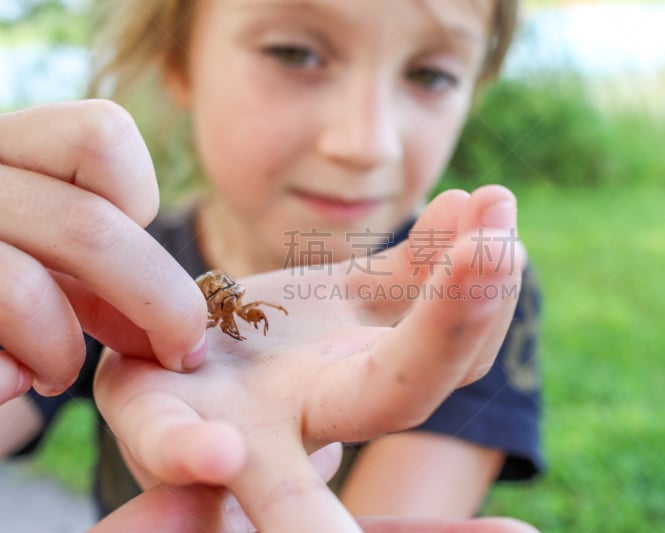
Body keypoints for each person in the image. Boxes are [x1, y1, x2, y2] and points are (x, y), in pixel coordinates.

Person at [0, 0, 543, 528]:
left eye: (430, 74)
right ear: (179, 63)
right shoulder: (111, 264)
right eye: (294, 53)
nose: (366, 145)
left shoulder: (464, 284)